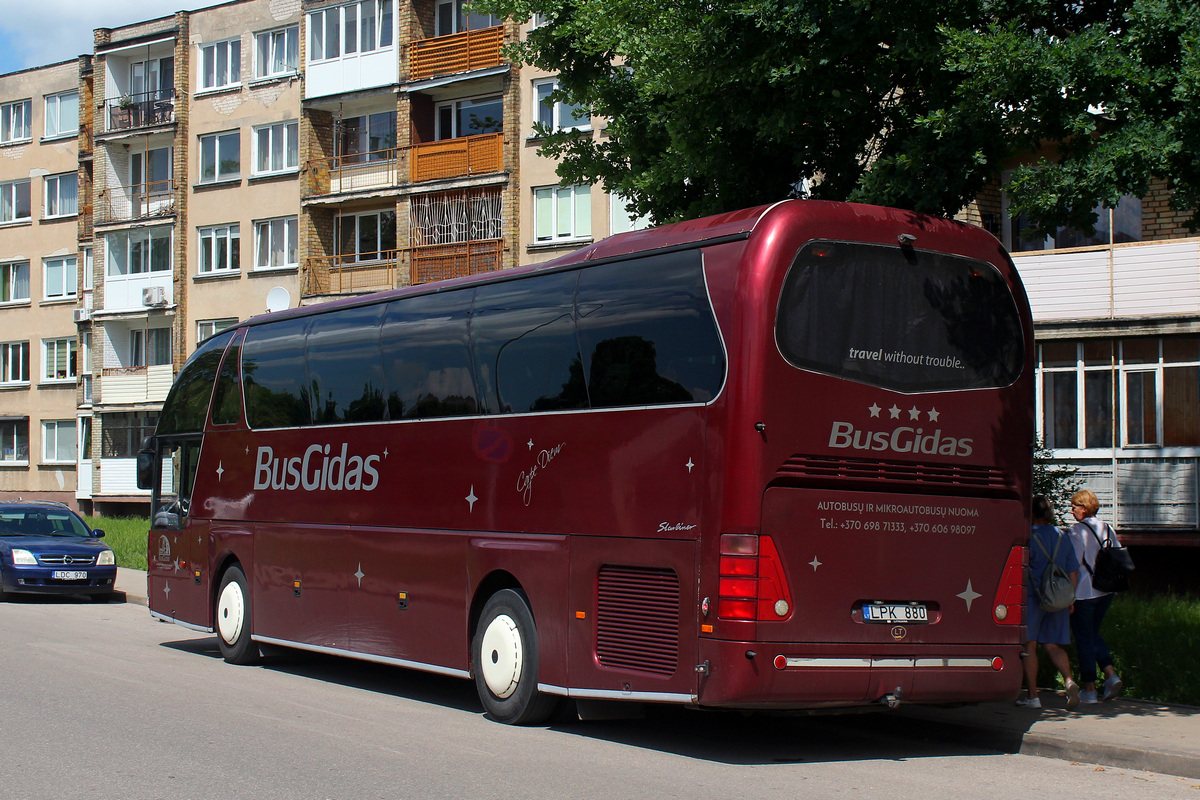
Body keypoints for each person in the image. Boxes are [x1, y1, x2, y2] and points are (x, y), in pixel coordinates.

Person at [1017, 495, 1081, 710]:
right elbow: (1073, 571)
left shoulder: (1028, 537)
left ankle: (1033, 697)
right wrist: (1069, 599)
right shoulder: (1062, 536)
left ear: (1032, 513)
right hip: (1058, 598)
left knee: (1030, 646)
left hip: (1033, 599)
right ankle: (1070, 681)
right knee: (1053, 644)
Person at [1066, 489, 1124, 704]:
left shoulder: (1076, 531)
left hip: (1083, 592)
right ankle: (1110, 674)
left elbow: (1073, 564)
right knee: (1092, 633)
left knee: (1083, 637)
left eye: (1074, 507)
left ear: (1084, 508)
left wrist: (1069, 596)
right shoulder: (1108, 528)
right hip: (1106, 590)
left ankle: (1089, 689)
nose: (1071, 511)